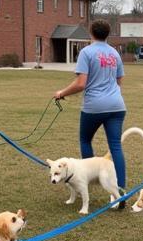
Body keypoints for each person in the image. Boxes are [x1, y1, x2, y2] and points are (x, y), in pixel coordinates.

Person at [54, 19, 130, 208]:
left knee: (86, 141)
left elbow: (81, 83)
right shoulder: (115, 53)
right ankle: (120, 192)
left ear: (91, 33)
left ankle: (85, 181)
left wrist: (61, 93)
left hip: (94, 106)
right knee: (115, 147)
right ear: (108, 33)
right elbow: (119, 80)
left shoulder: (86, 52)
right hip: (117, 105)